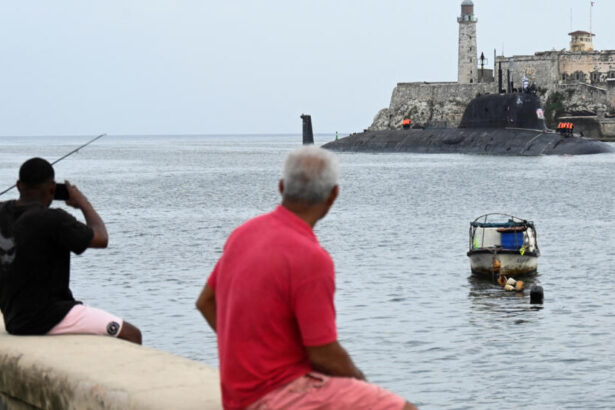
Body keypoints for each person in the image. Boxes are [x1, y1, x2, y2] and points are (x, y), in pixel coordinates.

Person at [196, 146, 417, 410]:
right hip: (278, 396)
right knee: (403, 408)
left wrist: (247, 357)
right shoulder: (311, 257)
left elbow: (206, 302)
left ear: (281, 187)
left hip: (237, 395)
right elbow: (323, 354)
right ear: (333, 195)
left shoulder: (243, 234)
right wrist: (362, 383)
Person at [0, 157, 141, 344]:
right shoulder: (53, 219)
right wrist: (83, 202)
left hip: (12, 317)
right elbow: (101, 238)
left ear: (18, 185)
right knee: (132, 334)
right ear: (52, 188)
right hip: (48, 316)